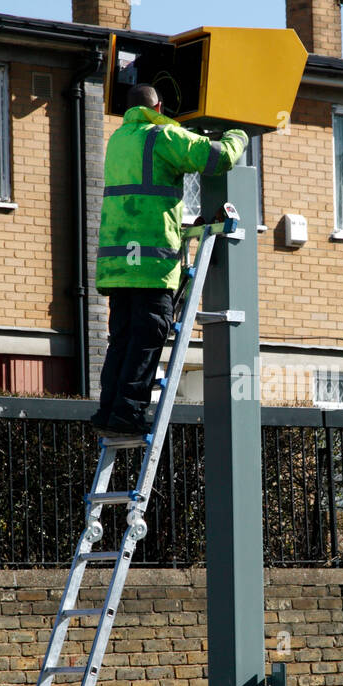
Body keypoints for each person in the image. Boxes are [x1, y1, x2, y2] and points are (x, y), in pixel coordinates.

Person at [90, 84, 249, 436]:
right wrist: (239, 134)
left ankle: (108, 412)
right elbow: (218, 157)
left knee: (123, 339)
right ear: (158, 106)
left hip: (119, 265)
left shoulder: (119, 139)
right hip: (151, 263)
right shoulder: (161, 136)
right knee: (148, 335)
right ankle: (127, 413)